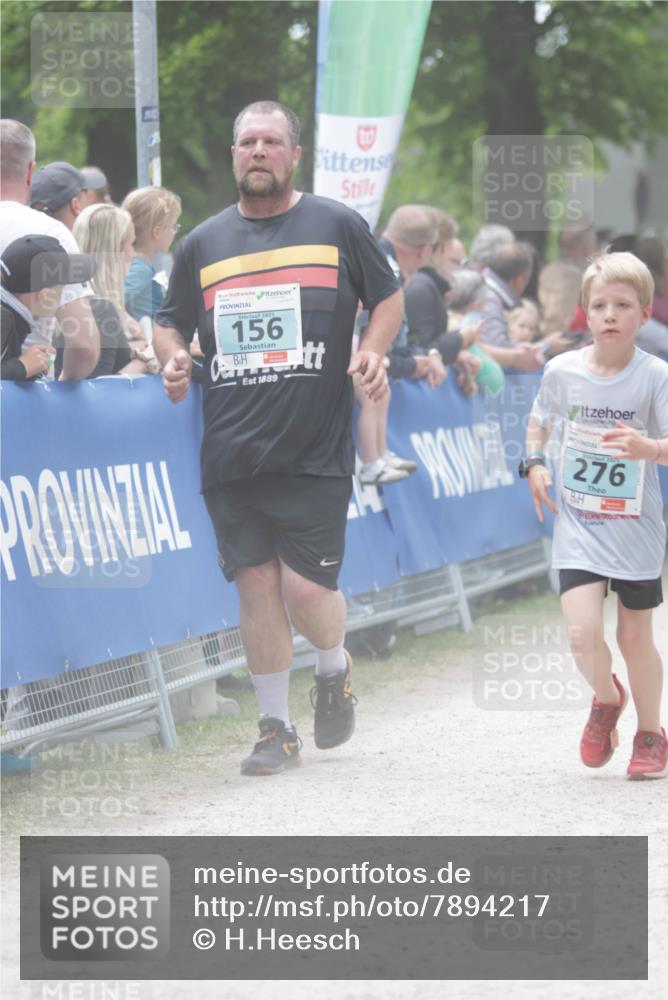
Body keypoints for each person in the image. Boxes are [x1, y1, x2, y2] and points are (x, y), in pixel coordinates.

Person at [153, 100, 402, 776]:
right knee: (256, 588)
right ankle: (276, 729)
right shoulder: (203, 242)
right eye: (246, 142)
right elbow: (168, 322)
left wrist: (374, 350)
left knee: (305, 594)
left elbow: (387, 295)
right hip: (230, 449)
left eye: (270, 141)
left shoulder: (336, 224)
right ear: (234, 155)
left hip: (314, 447)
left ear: (294, 154)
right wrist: (174, 356)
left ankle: (332, 661)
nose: (257, 151)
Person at [524, 251, 668, 779]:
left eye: (623, 305)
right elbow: (538, 423)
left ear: (644, 314)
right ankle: (607, 700)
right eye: (600, 304)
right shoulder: (562, 370)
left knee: (634, 638)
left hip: (636, 528)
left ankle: (651, 734)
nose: (610, 314)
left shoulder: (655, 376)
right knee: (582, 635)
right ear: (584, 311)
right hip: (580, 525)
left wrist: (648, 447)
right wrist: (534, 464)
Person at [0, 120, 99, 378]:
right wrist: (62, 389)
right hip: (28, 398)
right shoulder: (51, 233)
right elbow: (84, 345)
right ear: (31, 171)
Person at [54, 203, 156, 378]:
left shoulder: (76, 303)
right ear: (114, 250)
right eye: (131, 244)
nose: (133, 253)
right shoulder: (100, 309)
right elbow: (98, 388)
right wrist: (145, 361)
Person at [1, 234, 95, 379]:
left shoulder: (9, 313)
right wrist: (21, 366)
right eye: (61, 288)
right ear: (45, 296)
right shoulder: (4, 318)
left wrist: (26, 367)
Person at [479, 241, 544, 372]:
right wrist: (545, 346)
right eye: (527, 279)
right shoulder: (491, 300)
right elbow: (497, 346)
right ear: (519, 280)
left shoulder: (484, 289)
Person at [122, 186, 182, 321]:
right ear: (157, 232)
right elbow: (112, 303)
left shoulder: (138, 265)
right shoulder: (140, 269)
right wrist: (136, 330)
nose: (175, 231)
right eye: (174, 226)